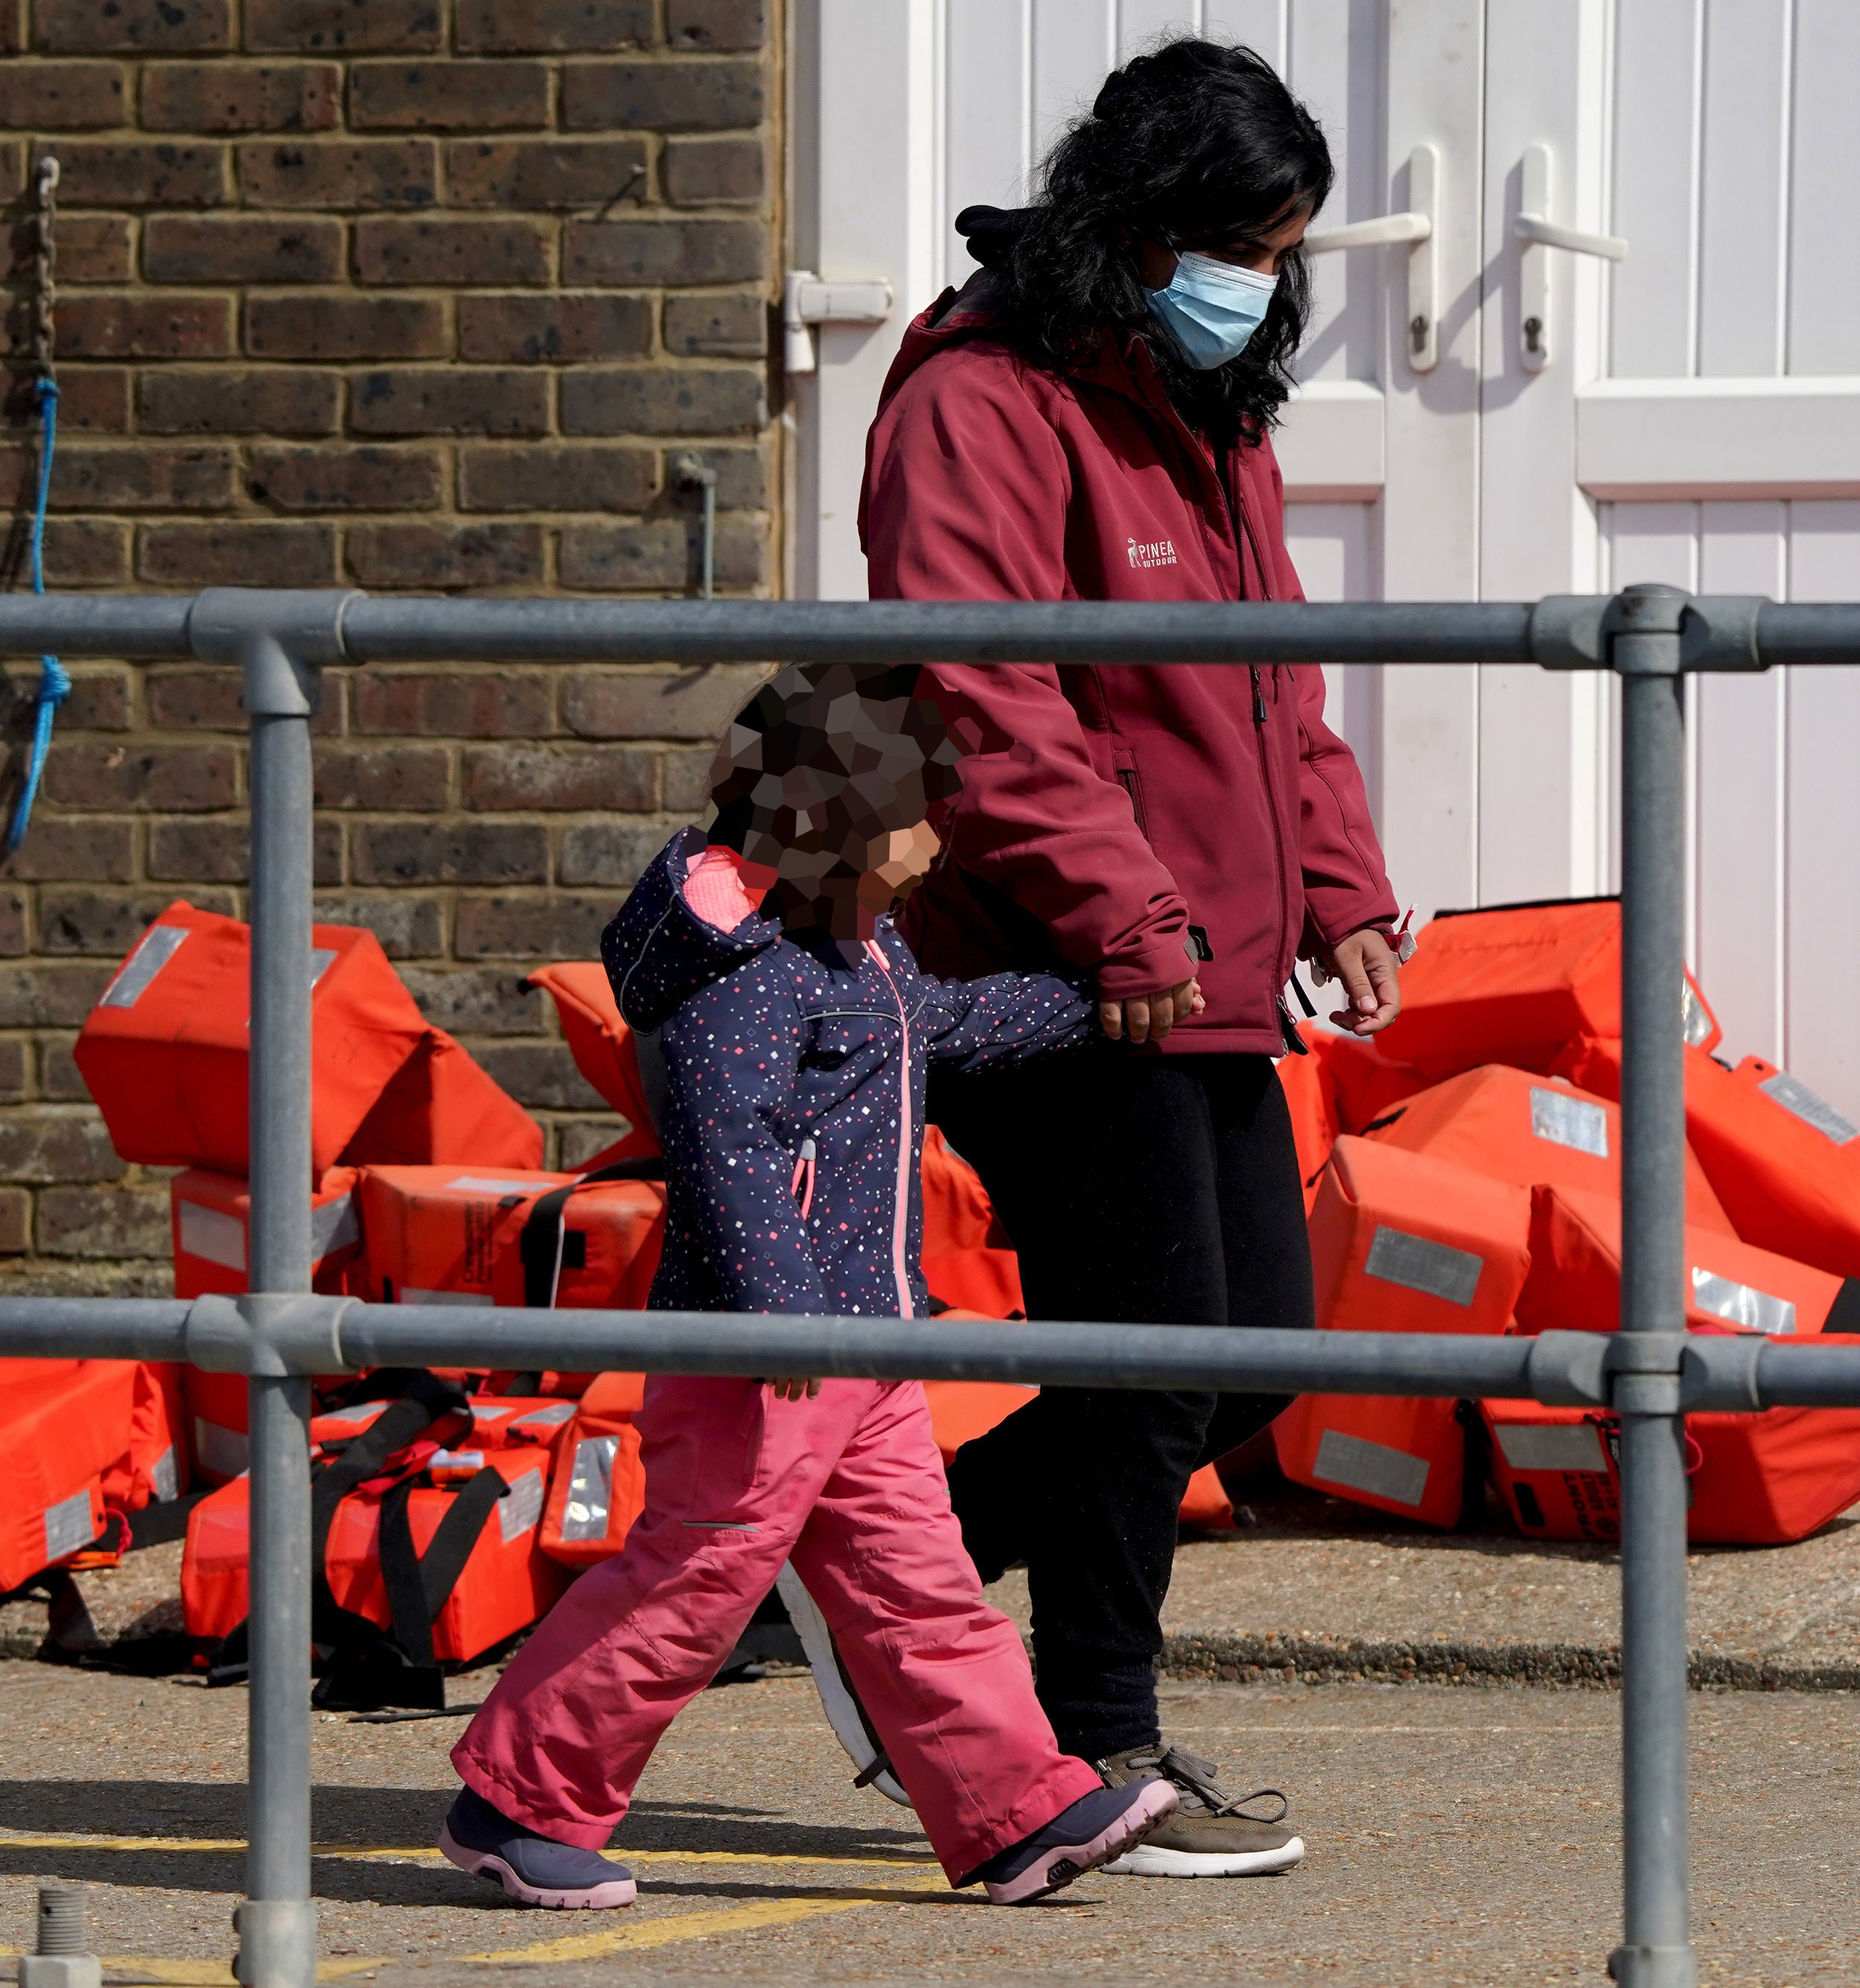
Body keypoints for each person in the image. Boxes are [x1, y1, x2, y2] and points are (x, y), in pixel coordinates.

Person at [850, 37, 1404, 1880]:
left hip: (1198, 966)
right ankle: (1093, 1746)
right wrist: (1127, 916)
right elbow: (982, 692)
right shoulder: (978, 401)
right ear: (1138, 221)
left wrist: (1341, 890)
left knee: (1245, 1364)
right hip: (1053, 969)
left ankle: (860, 1577)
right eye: (1241, 242)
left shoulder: (1206, 402)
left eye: (1285, 250)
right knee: (1155, 1356)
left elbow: (1271, 688)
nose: (1262, 281)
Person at [439, 664, 1178, 1910]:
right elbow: (726, 1148)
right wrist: (781, 1312)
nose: (943, 840)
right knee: (696, 1576)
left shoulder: (857, 948)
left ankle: (1019, 1814)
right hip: (768, 1352)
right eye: (922, 817)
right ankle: (519, 1802)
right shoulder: (747, 972)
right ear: (831, 821)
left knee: (918, 1582)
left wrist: (1092, 1006)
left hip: (869, 1343)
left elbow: (941, 1026)